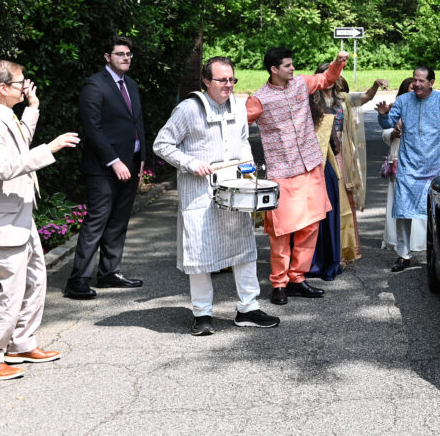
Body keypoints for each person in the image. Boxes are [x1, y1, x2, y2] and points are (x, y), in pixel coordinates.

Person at [153, 57, 280, 336]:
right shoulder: (188, 109)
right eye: (222, 80)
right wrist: (190, 163)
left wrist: (248, 173)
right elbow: (162, 144)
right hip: (199, 191)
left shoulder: (238, 105)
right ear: (206, 81)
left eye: (232, 79)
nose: (228, 85)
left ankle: (248, 308)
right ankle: (202, 314)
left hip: (233, 190)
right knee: (200, 252)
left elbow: (244, 141)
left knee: (244, 249)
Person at [246, 47, 348, 305]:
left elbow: (326, 79)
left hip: (311, 166)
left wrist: (338, 63)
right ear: (274, 69)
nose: (293, 69)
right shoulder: (259, 99)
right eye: (288, 65)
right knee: (280, 231)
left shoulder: (302, 83)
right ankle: (279, 283)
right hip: (282, 172)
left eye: (293, 65)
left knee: (311, 225)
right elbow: (237, 124)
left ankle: (297, 279)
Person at [0, 61, 78, 380]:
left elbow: (20, 145)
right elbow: (4, 168)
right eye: (20, 83)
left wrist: (33, 107)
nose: (24, 86)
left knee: (35, 279)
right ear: (2, 88)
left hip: (20, 213)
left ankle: (20, 343)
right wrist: (52, 146)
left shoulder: (7, 116)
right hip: (3, 219)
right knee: (9, 289)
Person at [65, 36, 145, 300]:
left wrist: (141, 157)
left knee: (119, 221)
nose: (126, 58)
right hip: (103, 167)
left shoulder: (131, 84)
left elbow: (137, 124)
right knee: (97, 221)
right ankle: (78, 281)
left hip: (131, 163)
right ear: (107, 56)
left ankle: (109, 273)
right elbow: (93, 129)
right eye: (120, 54)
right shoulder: (94, 85)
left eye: (129, 54)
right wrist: (115, 161)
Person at [378, 67, 440, 271]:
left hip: (435, 167)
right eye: (415, 79)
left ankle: (438, 254)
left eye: (421, 80)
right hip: (409, 165)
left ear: (432, 82)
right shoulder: (404, 101)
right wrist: (383, 116)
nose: (417, 84)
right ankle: (403, 254)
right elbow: (388, 122)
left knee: (438, 212)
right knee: (403, 212)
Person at [307, 69, 385, 280]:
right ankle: (317, 255)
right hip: (320, 156)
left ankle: (341, 252)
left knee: (342, 203)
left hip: (341, 154)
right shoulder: (310, 101)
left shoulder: (342, 99)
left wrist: (376, 84)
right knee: (320, 203)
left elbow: (366, 97)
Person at [380, 78, 425, 253]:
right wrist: (393, 132)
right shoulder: (396, 106)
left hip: (419, 160)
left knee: (419, 199)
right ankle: (396, 242)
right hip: (398, 157)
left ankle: (419, 241)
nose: (414, 90)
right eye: (411, 88)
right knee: (396, 200)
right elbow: (385, 132)